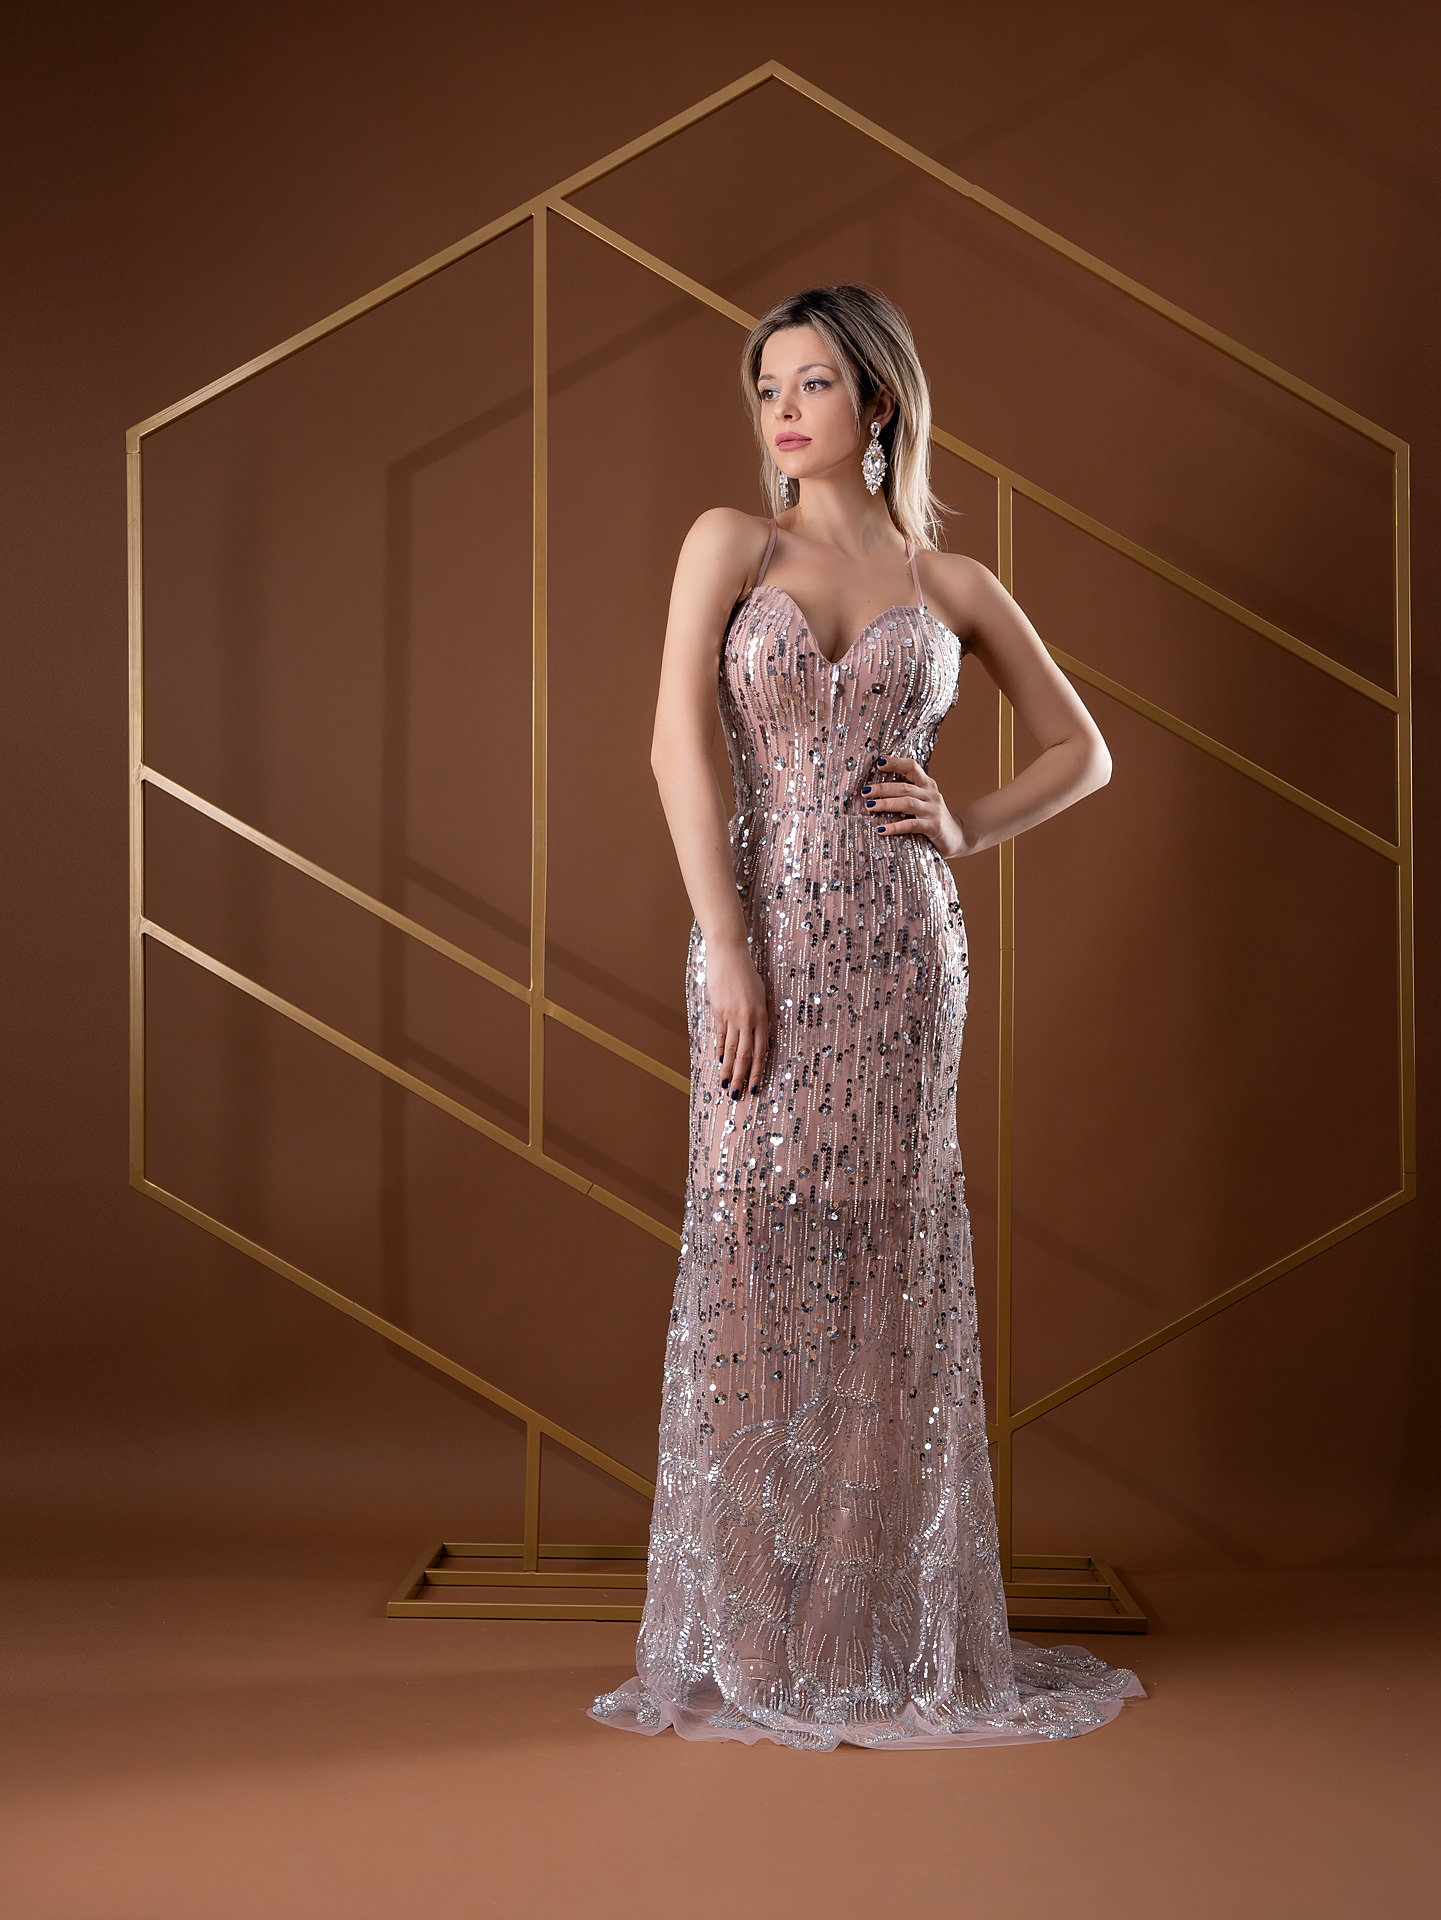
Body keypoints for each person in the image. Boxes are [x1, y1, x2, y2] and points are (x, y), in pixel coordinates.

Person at [589, 284, 1144, 1749]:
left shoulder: (948, 580)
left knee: (891, 1267)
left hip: (903, 956)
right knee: (751, 1258)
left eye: (815, 382)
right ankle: (750, 1630)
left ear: (878, 401)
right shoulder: (731, 544)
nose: (784, 409)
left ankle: (862, 1627)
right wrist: (727, 944)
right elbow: (675, 745)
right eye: (768, 385)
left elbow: (1085, 751)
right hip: (761, 938)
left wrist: (966, 825)